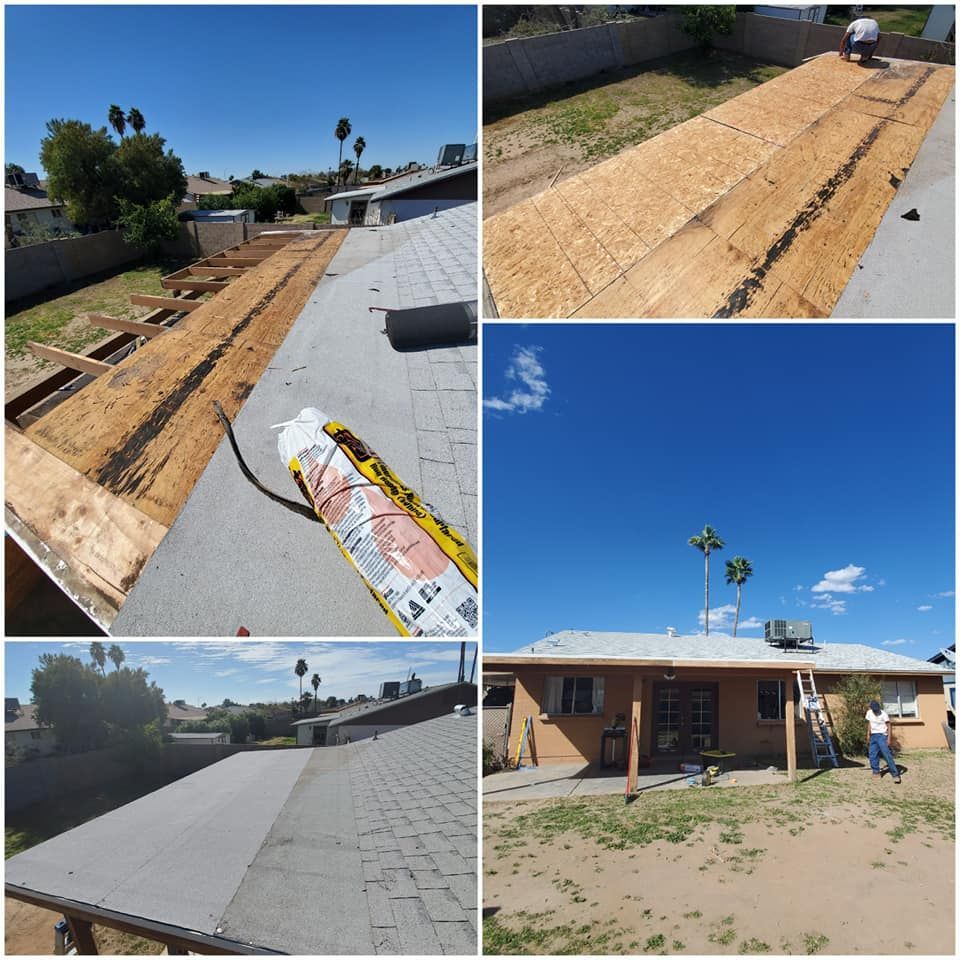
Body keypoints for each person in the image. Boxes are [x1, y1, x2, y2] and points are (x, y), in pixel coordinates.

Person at [865, 699, 901, 783]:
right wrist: (868, 733)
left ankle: (895, 774)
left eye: (877, 709)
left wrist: (888, 738)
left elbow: (889, 725)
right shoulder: (869, 713)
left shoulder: (883, 714)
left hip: (882, 736)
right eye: (874, 709)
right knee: (872, 754)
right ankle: (876, 772)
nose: (876, 711)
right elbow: (870, 723)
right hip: (873, 736)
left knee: (887, 755)